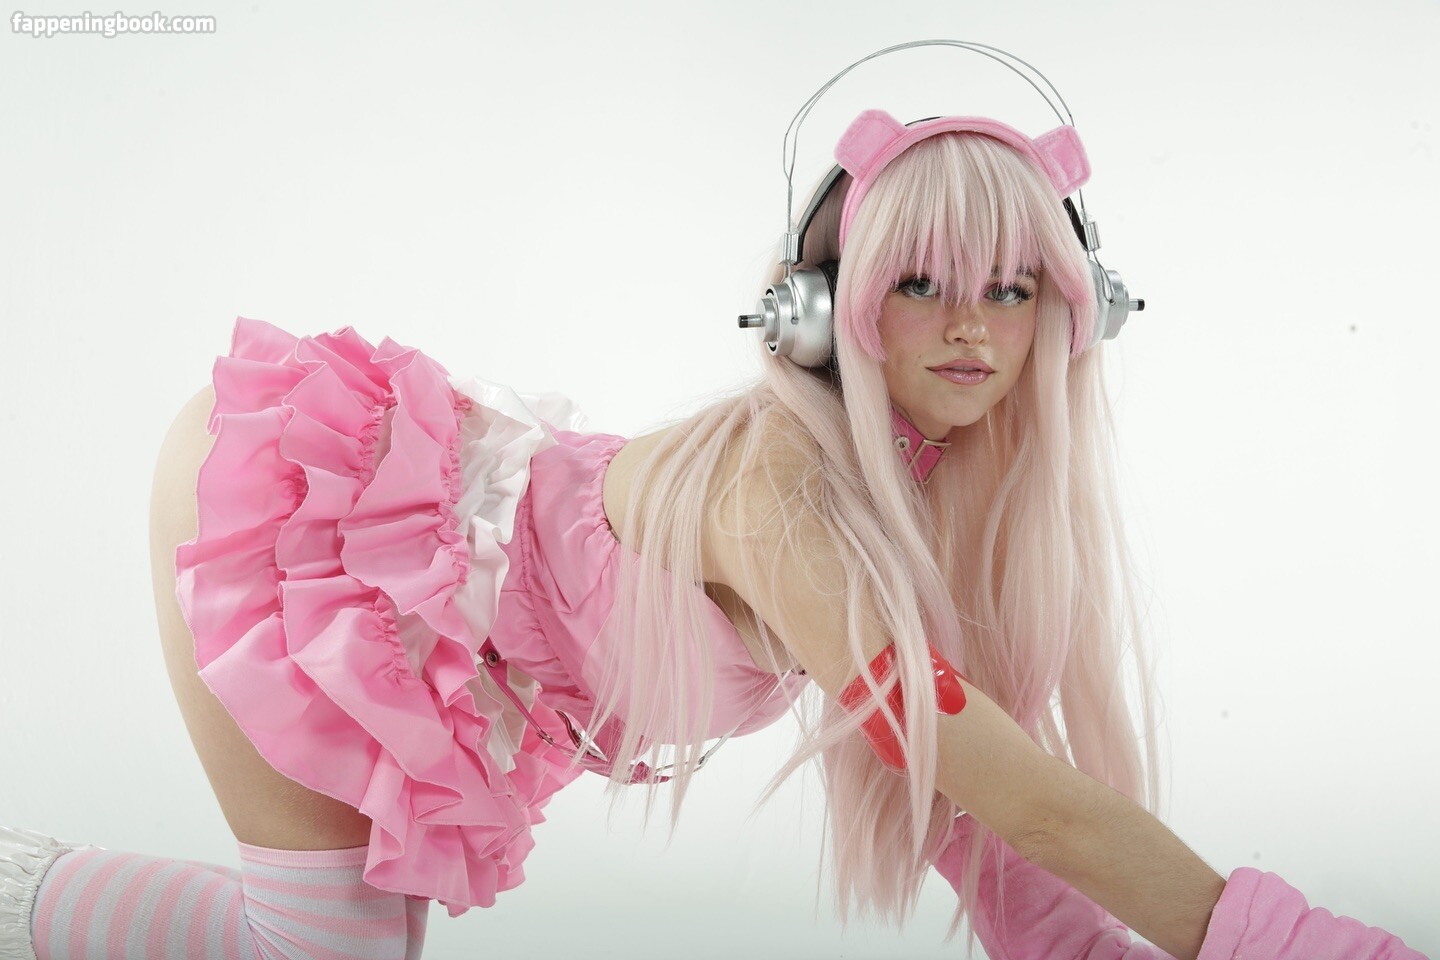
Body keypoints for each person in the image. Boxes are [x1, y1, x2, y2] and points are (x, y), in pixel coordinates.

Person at [1, 49, 1428, 960]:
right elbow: (1034, 805)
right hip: (309, 504)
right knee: (319, 955)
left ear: (1070, 313)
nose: (971, 327)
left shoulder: (915, 504)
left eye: (1010, 288)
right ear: (820, 307)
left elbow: (975, 824)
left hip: (438, 588)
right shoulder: (780, 503)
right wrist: (1302, 947)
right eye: (920, 282)